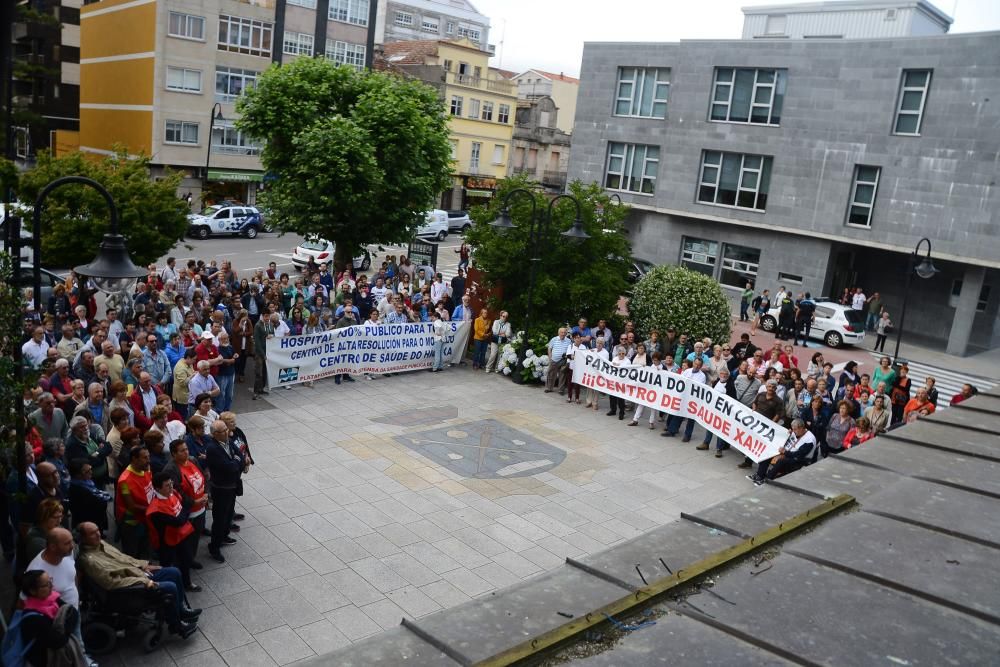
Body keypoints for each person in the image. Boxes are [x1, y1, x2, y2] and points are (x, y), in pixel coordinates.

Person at [76, 522, 200, 638]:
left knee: (174, 572)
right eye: (93, 533)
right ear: (84, 538)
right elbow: (111, 583)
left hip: (138, 574)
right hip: (129, 589)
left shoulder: (100, 544)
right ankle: (176, 625)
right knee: (170, 587)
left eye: (98, 530)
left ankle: (181, 611)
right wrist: (143, 581)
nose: (98, 534)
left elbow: (123, 558)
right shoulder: (89, 560)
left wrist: (143, 565)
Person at [15, 569, 88, 667]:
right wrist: (66, 628)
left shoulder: (52, 598)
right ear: (32, 591)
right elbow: (58, 641)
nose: (51, 586)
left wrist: (62, 631)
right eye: (46, 585)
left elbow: (73, 612)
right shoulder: (33, 619)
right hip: (46, 661)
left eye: (50, 582)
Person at [146, 471, 199, 591]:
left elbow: (183, 511)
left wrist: (183, 512)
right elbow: (179, 520)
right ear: (158, 489)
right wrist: (185, 511)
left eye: (171, 484)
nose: (171, 487)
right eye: (167, 485)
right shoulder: (155, 509)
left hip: (181, 536)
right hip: (167, 543)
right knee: (168, 567)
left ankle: (187, 583)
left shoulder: (173, 493)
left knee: (185, 561)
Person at [164, 439, 208, 569]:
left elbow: (203, 477)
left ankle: (190, 559)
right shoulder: (171, 469)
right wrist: (194, 501)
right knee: (185, 540)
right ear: (173, 454)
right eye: (182, 451)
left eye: (187, 449)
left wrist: (206, 493)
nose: (186, 452)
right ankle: (183, 564)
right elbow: (177, 492)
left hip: (200, 508)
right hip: (187, 512)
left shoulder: (193, 460)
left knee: (195, 537)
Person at [205, 420, 245, 563]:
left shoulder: (228, 441)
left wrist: (236, 461)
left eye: (226, 429)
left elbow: (240, 455)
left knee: (228, 514)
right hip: (221, 489)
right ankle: (214, 546)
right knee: (220, 518)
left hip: (232, 485)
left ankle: (224, 535)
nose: (227, 432)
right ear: (215, 434)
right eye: (223, 431)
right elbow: (229, 467)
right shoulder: (213, 448)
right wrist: (236, 462)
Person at [747, 419, 817, 485]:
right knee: (769, 452)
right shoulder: (796, 432)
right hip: (788, 452)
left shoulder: (809, 440)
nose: (794, 431)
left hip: (800, 459)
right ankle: (760, 475)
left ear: (801, 428)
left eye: (795, 430)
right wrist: (787, 434)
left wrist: (785, 453)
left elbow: (799, 455)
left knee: (782, 461)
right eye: (793, 429)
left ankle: (767, 479)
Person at [116, 445, 154, 558]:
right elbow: (131, 506)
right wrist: (154, 509)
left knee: (145, 550)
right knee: (132, 554)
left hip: (146, 518)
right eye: (145, 458)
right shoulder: (125, 480)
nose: (148, 461)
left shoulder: (146, 469)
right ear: (134, 459)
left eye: (148, 457)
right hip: (132, 524)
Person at [67, 459, 112, 531]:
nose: (91, 472)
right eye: (87, 471)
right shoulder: (79, 490)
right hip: (89, 525)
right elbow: (96, 505)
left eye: (90, 469)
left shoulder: (87, 481)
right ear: (78, 475)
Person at [544, 328, 572, 395]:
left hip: (563, 360)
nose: (563, 334)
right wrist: (550, 358)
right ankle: (549, 388)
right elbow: (549, 348)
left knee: (562, 375)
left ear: (566, 333)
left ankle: (561, 390)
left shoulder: (568, 341)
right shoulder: (554, 339)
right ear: (558, 333)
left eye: (564, 332)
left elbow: (570, 350)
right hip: (554, 359)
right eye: (561, 332)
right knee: (551, 374)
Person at [606, 345, 629, 419]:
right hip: (614, 381)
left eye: (623, 353)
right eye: (620, 353)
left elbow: (628, 370)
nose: (621, 355)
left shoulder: (627, 361)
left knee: (620, 398)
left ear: (625, 354)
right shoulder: (615, 358)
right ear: (617, 354)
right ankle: (613, 410)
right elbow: (611, 367)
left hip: (622, 382)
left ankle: (622, 412)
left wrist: (619, 366)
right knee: (612, 396)